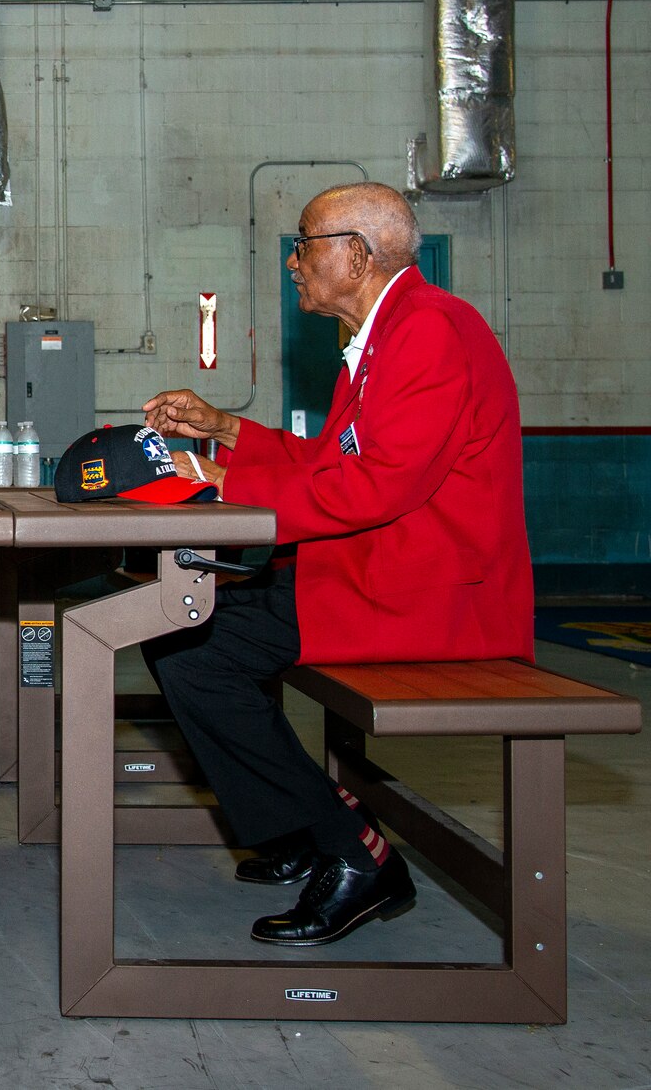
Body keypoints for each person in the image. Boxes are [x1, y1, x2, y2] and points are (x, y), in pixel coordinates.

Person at [140, 181, 531, 948]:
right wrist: (225, 431)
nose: (293, 262)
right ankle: (295, 830)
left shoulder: (430, 333)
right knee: (181, 633)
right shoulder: (384, 339)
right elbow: (328, 462)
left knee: (194, 647)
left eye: (305, 244)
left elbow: (377, 485)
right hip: (377, 574)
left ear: (356, 255)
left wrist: (225, 482)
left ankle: (354, 851)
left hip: (424, 596)